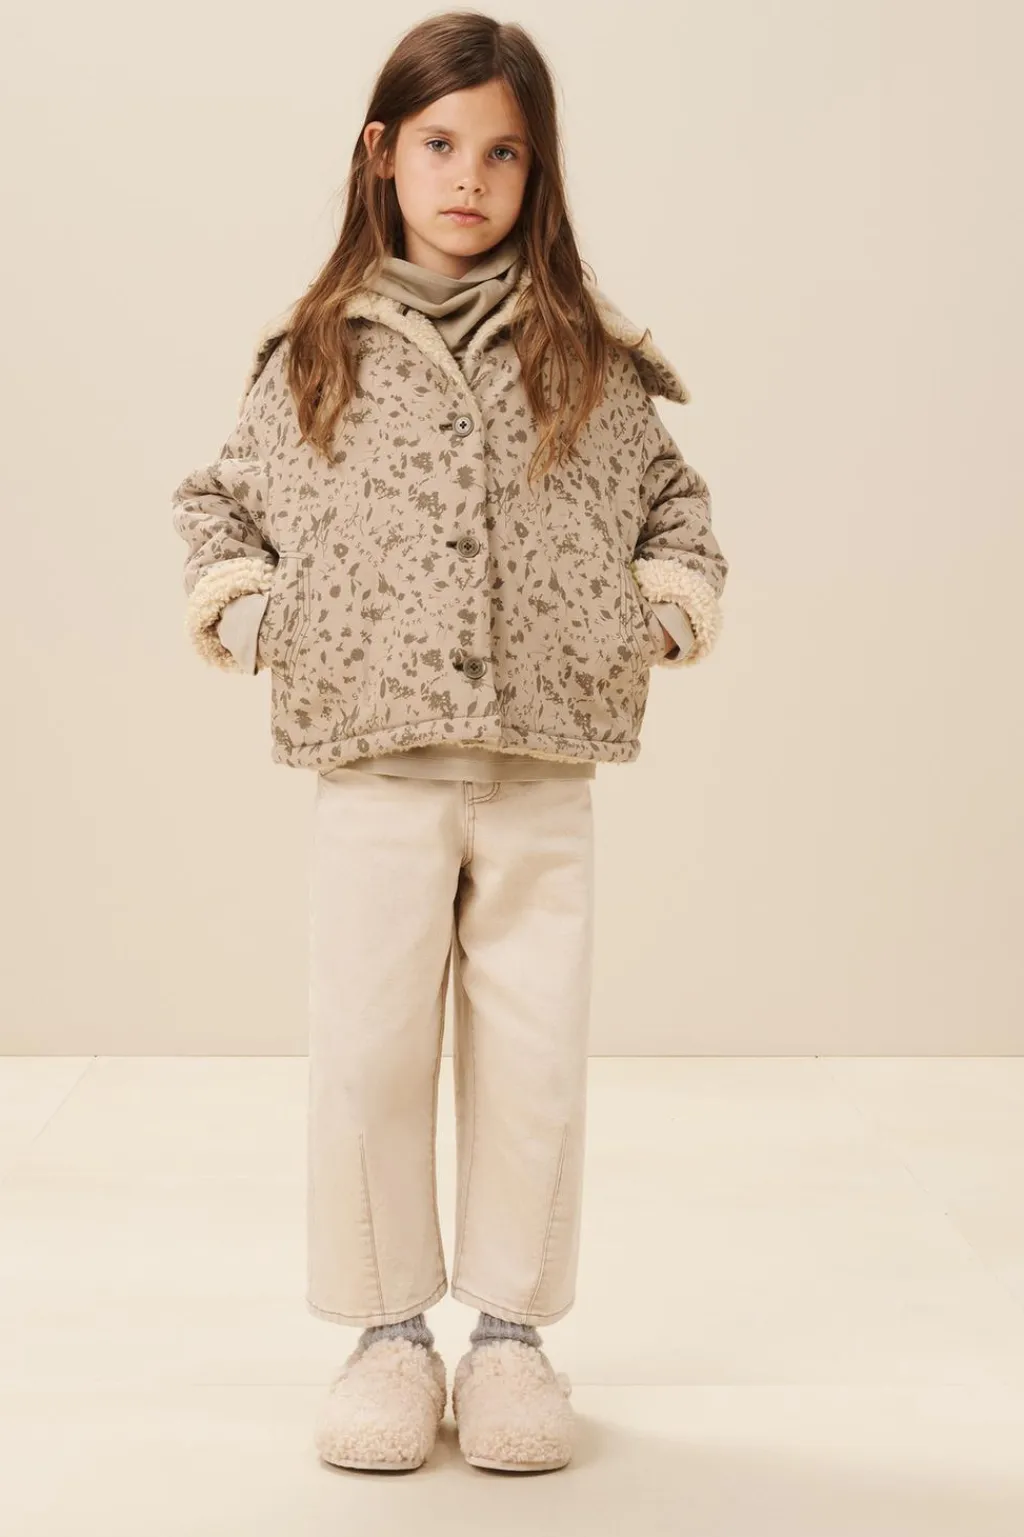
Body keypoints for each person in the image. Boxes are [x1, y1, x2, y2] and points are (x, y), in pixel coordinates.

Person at [171, 10, 728, 1476]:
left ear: (537, 175)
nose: (468, 178)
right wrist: (256, 613)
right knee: (368, 1052)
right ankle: (387, 1334)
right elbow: (220, 502)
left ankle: (512, 1338)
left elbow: (674, 507)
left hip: (543, 762)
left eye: (502, 154)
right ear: (382, 153)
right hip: (374, 757)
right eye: (439, 144)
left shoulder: (587, 359)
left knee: (533, 1056)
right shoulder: (315, 354)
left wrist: (661, 611)